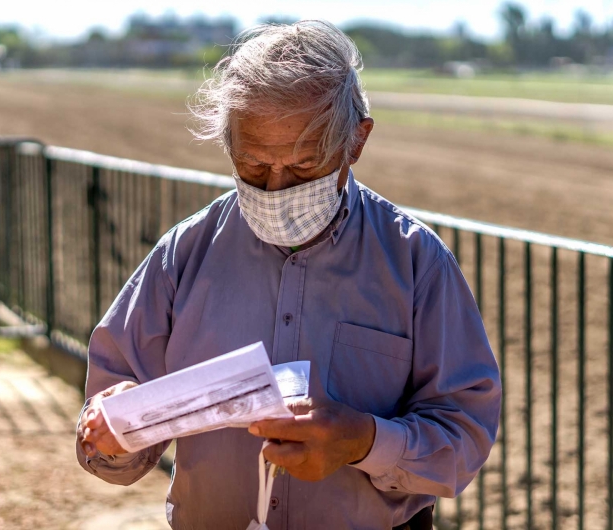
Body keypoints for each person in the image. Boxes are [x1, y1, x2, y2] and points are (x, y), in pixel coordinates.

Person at [77, 20, 501, 530]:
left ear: (356, 142)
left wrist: (365, 441)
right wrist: (114, 431)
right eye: (253, 166)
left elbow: (464, 435)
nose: (275, 188)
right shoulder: (183, 255)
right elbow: (109, 433)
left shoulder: (416, 262)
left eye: (303, 168)